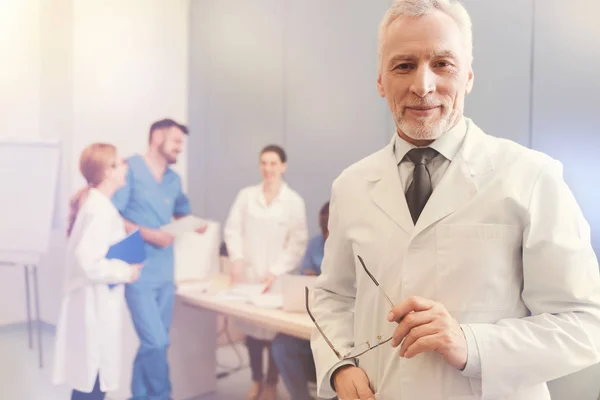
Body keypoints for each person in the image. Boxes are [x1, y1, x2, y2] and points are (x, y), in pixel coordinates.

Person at [309, 1, 600, 400]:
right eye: (403, 65)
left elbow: (585, 322)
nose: (423, 85)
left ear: (468, 77)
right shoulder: (352, 185)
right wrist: (340, 364)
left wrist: (472, 344)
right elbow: (332, 296)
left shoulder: (531, 176)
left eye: (442, 63)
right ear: (380, 81)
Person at [112, 118, 205, 400]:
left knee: (155, 344)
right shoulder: (127, 170)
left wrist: (193, 223)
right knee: (155, 340)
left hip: (165, 270)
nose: (180, 148)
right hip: (137, 268)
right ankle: (161, 395)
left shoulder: (174, 180)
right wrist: (149, 234)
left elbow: (182, 212)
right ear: (156, 138)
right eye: (176, 141)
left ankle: (138, 396)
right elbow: (113, 216)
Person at [53, 143, 143, 400]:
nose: (126, 166)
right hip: (95, 307)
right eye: (120, 162)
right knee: (92, 381)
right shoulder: (100, 210)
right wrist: (127, 271)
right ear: (107, 172)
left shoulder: (98, 205)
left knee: (90, 380)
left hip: (95, 303)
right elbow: (89, 262)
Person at [224, 144, 308, 400]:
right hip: (249, 274)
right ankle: (255, 380)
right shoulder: (246, 196)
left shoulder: (293, 201)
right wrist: (236, 259)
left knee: (272, 333)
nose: (268, 168)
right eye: (264, 163)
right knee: (252, 333)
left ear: (283, 166)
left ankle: (271, 382)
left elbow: (297, 242)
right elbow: (233, 229)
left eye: (273, 163)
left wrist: (276, 269)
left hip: (276, 277)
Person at [271, 202, 329, 400]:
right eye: (324, 231)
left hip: (339, 324)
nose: (327, 237)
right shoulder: (314, 245)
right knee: (282, 345)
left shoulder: (356, 247)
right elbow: (305, 281)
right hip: (311, 317)